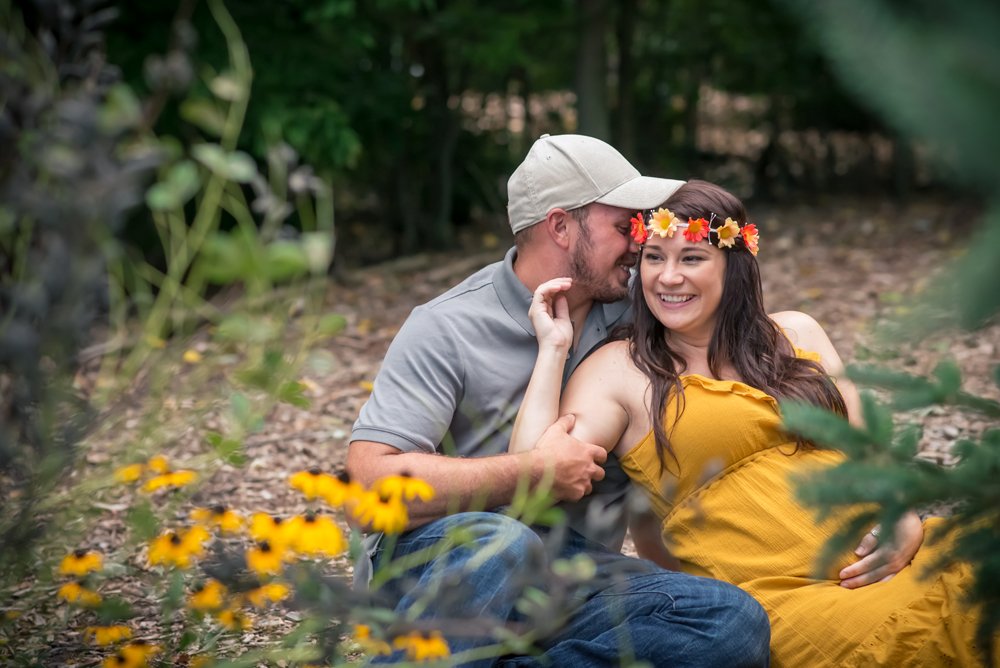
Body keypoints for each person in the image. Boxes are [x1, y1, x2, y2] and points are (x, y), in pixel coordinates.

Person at [510, 178, 995, 667]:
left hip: (899, 554)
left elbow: (868, 448)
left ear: (733, 265)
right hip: (791, 597)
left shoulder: (796, 332)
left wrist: (904, 516)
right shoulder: (620, 370)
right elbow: (533, 480)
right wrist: (553, 350)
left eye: (692, 258)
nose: (667, 277)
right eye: (654, 257)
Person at [347, 135, 771, 667]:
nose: (640, 246)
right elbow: (366, 488)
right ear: (561, 227)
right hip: (444, 562)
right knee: (501, 545)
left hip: (567, 573)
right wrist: (528, 471)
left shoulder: (646, 308)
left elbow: (738, 340)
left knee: (730, 620)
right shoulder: (446, 327)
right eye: (624, 227)